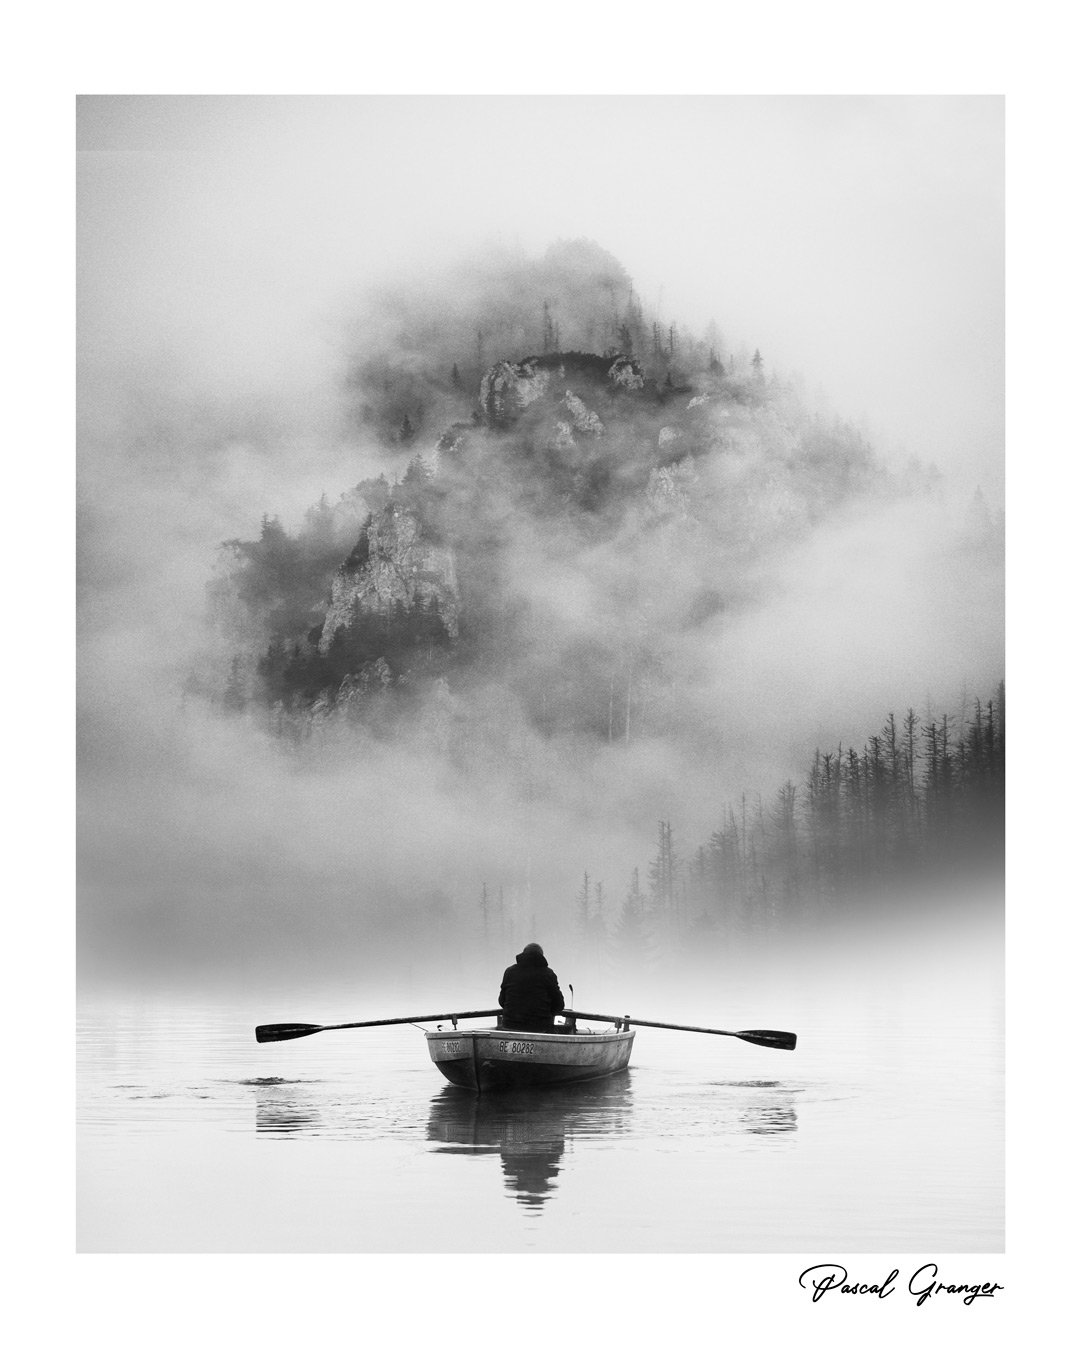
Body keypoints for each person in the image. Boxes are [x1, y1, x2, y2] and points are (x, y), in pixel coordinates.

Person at [498, 943, 565, 1031]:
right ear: (541, 957)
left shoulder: (510, 972)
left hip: (510, 1026)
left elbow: (502, 1001)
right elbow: (559, 1004)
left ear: (523, 954)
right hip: (539, 1028)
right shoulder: (548, 974)